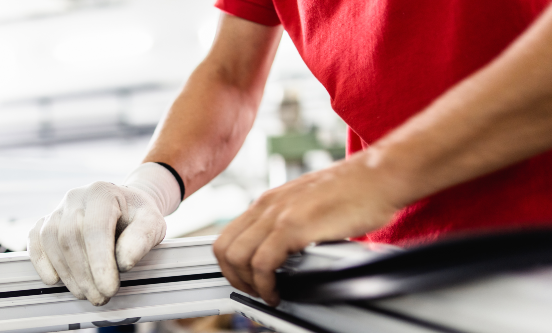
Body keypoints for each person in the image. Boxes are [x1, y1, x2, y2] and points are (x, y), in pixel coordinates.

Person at [29, 0, 552, 307]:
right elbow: (230, 76)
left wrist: (377, 175)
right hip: (399, 277)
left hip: (532, 253)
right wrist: (148, 188)